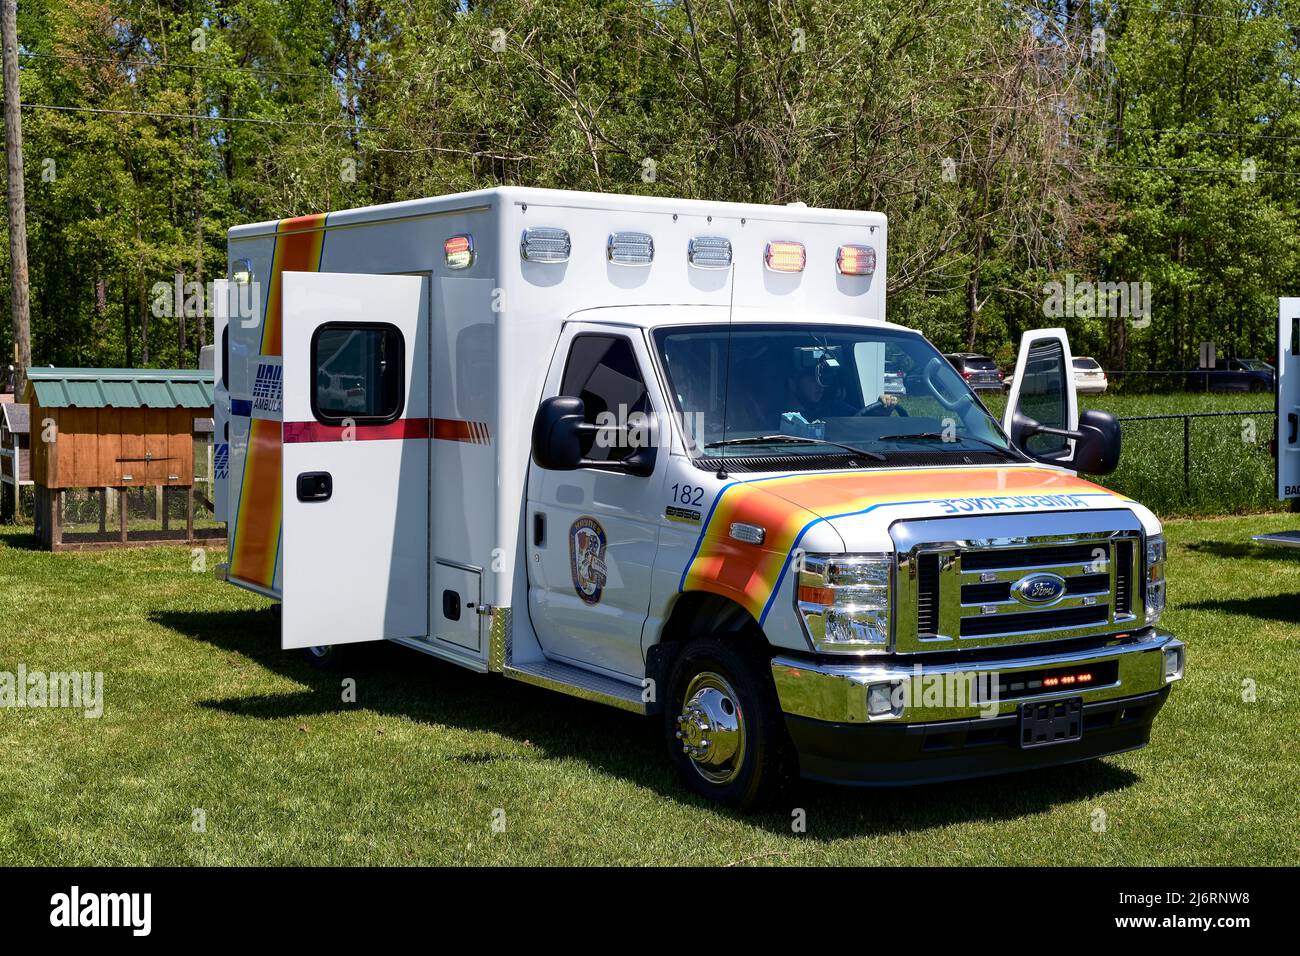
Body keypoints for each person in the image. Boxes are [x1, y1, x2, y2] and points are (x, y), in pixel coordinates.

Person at [786, 368, 857, 421]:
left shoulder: (833, 408)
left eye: (822, 381)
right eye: (813, 380)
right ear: (793, 384)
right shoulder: (778, 416)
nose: (820, 386)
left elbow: (861, 418)